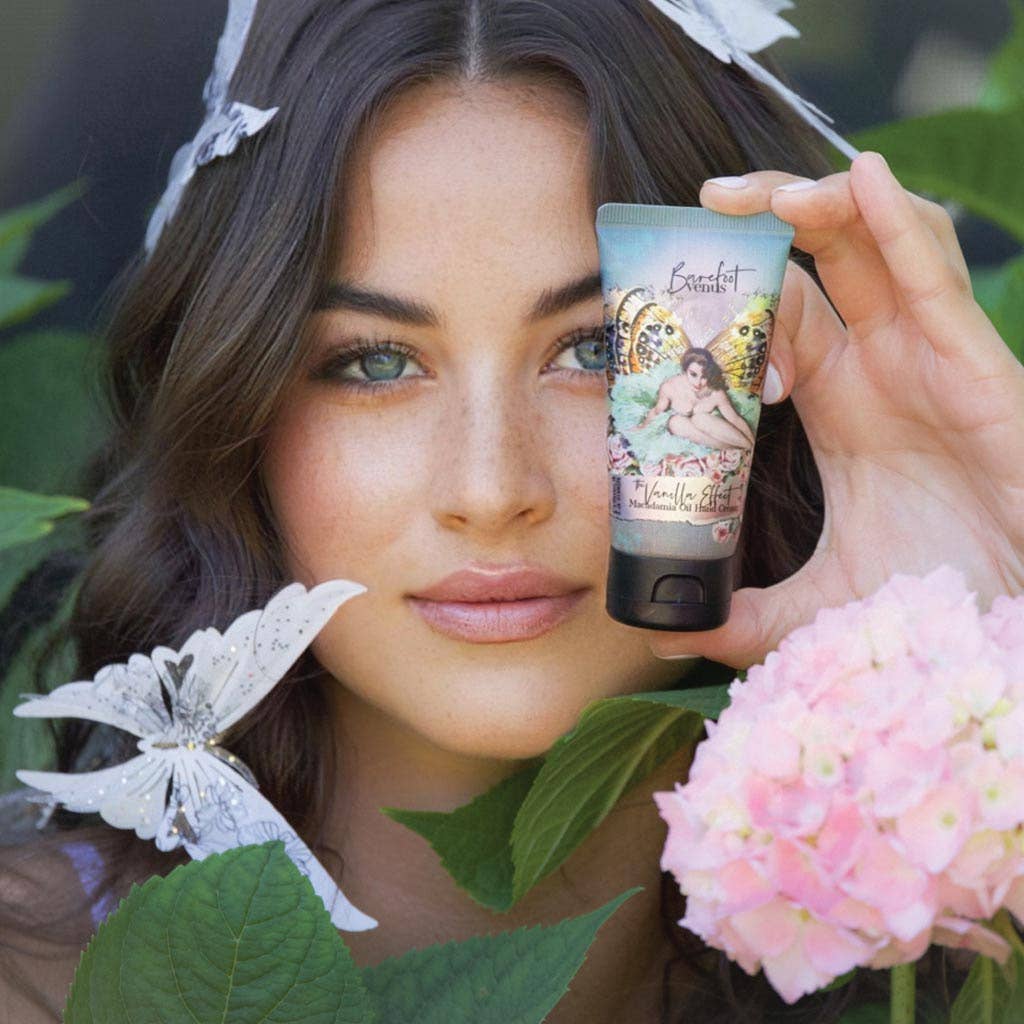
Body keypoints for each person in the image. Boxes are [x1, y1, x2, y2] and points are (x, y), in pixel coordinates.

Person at [1, 1, 1022, 1021]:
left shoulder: (956, 960)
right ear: (238, 412)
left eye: (599, 351)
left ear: (764, 367)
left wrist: (984, 620)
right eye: (374, 362)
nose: (491, 491)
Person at [637, 348, 756, 450]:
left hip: (714, 429)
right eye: (693, 374)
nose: (698, 383)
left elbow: (734, 419)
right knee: (675, 422)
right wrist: (642, 427)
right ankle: (730, 448)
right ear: (685, 370)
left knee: (700, 418)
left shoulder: (716, 392)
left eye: (704, 376)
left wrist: (752, 442)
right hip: (684, 431)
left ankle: (747, 447)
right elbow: (657, 411)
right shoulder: (670, 386)